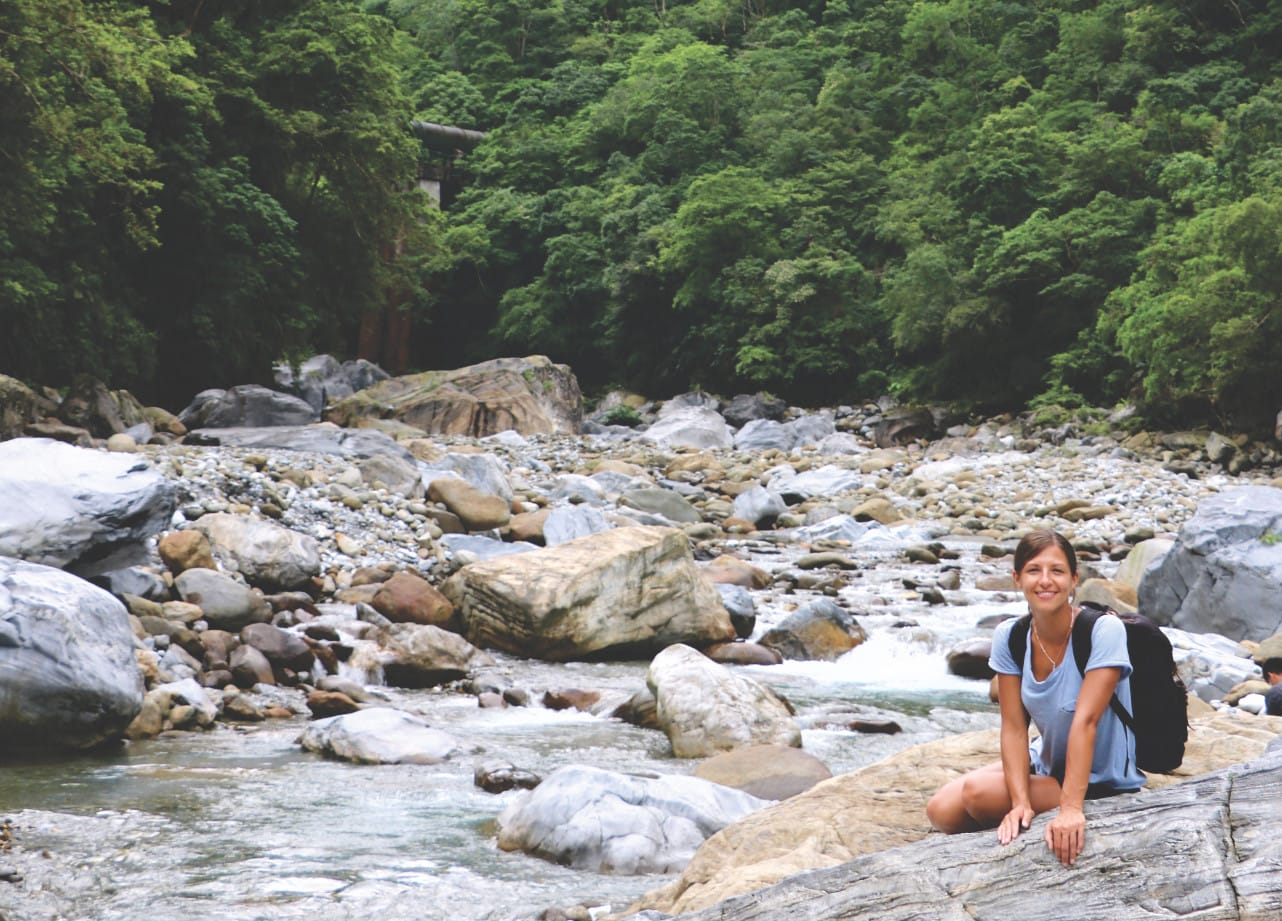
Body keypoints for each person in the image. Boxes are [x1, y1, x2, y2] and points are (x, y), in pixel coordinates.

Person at [925, 529, 1144, 867]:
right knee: (940, 810)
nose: (1045, 581)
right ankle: (1020, 814)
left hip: (1100, 778)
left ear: (1074, 580)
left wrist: (1070, 809)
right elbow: (1013, 726)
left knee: (978, 795)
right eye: (1033, 571)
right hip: (1046, 761)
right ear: (1017, 578)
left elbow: (1086, 722)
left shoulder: (1102, 631)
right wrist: (1020, 802)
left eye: (1056, 571)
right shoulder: (1010, 636)